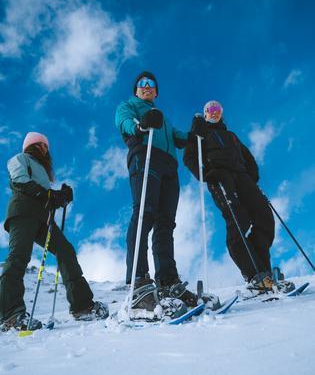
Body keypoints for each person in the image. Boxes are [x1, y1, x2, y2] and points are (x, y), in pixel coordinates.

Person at [115, 71, 220, 314]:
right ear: (136, 90)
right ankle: (139, 281)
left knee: (165, 224)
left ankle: (168, 281)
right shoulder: (129, 106)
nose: (146, 86)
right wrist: (140, 125)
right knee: (144, 213)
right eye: (142, 83)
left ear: (156, 91)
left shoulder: (163, 118)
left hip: (169, 166)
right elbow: (124, 122)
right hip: (145, 155)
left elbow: (179, 138)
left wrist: (196, 135)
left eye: (151, 84)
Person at [0, 132, 108, 332]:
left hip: (43, 219)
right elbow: (21, 182)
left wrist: (61, 196)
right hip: (23, 212)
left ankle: (82, 306)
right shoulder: (20, 159)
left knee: (65, 250)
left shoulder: (42, 170)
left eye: (46, 146)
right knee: (19, 257)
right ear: (29, 146)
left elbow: (46, 196)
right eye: (39, 144)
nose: (43, 148)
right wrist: (50, 194)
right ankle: (11, 315)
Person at [184, 100, 295, 295]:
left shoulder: (231, 135)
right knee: (238, 219)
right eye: (210, 110)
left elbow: (247, 156)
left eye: (217, 109)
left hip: (242, 177)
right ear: (205, 113)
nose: (214, 112)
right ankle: (254, 275)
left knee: (264, 216)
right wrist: (205, 174)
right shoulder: (199, 135)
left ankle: (264, 272)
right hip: (220, 177)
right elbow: (189, 157)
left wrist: (251, 175)